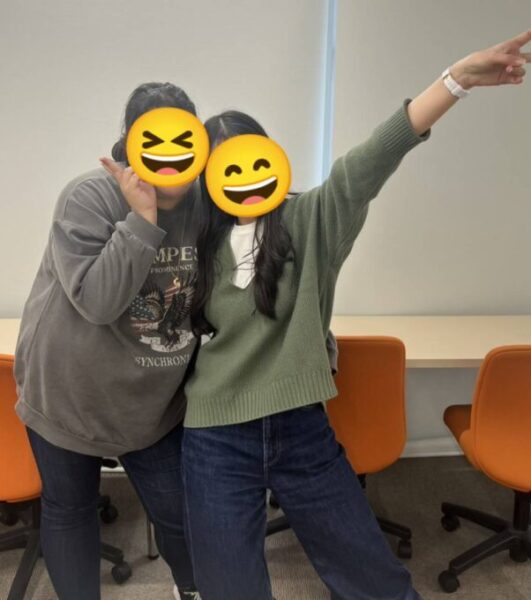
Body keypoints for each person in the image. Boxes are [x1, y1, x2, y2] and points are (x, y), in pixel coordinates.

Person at [181, 31, 531, 600]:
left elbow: (373, 158)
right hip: (214, 436)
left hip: (299, 428)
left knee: (377, 583)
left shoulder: (310, 221)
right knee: (229, 588)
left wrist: (456, 81)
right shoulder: (196, 241)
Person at [14, 82, 202, 600]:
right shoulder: (89, 197)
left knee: (181, 511)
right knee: (70, 510)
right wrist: (142, 218)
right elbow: (98, 302)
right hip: (69, 392)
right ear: (130, 143)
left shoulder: (205, 202)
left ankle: (193, 588)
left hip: (153, 402)